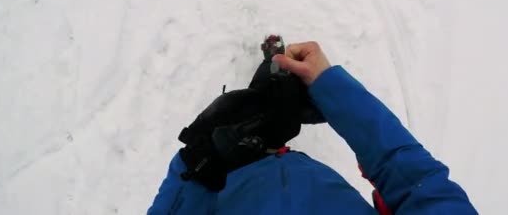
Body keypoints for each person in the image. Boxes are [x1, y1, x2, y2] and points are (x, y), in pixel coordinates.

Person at [148, 40, 477, 214]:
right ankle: (274, 63)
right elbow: (415, 181)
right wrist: (330, 88)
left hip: (232, 181)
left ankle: (272, 68)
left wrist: (198, 168)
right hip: (300, 173)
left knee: (254, 109)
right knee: (272, 101)